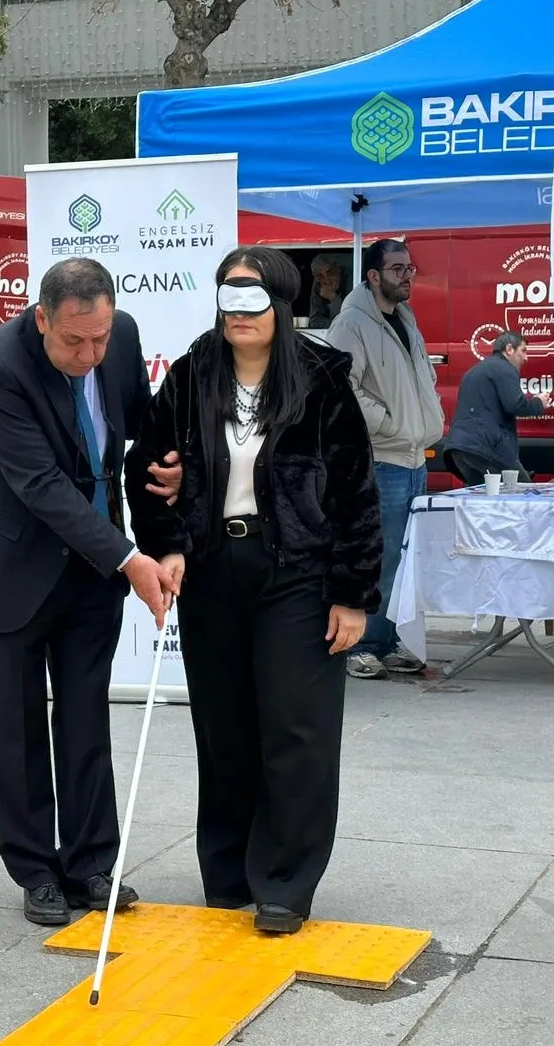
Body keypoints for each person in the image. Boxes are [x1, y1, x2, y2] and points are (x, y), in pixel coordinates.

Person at [124, 245, 382, 935]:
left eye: (253, 297)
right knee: (224, 728)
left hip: (297, 573)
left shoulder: (322, 378)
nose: (239, 312)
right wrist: (168, 542)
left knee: (297, 727)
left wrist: (353, 593)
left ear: (281, 304)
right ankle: (229, 874)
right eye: (229, 296)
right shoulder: (191, 375)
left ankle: (285, 883)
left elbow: (356, 491)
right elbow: (146, 467)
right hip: (212, 569)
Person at [0, 257, 182, 927]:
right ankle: (37, 871)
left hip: (89, 569)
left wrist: (171, 465)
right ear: (42, 319)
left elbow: (142, 424)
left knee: (84, 717)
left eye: (99, 339)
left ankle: (90, 864)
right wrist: (129, 558)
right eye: (74, 341)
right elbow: (38, 483)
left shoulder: (116, 339)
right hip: (5, 568)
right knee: (12, 729)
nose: (90, 355)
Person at [323, 237, 444, 680]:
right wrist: (389, 423)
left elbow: (422, 378)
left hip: (414, 459)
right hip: (381, 460)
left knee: (402, 558)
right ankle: (361, 645)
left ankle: (387, 640)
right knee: (376, 556)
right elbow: (340, 387)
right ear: (373, 276)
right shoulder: (351, 324)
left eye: (409, 269)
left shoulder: (406, 320)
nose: (407, 276)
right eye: (397, 269)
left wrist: (428, 416)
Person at [441, 331, 554, 485]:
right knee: (519, 487)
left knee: (483, 495)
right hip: (484, 447)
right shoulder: (505, 369)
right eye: (523, 351)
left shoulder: (473, 371)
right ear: (509, 349)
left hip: (459, 449)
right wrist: (538, 403)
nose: (526, 358)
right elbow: (516, 405)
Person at [306, 254, 345, 328]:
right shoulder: (318, 284)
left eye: (330, 272)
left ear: (338, 269)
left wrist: (333, 298)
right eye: (320, 276)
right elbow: (315, 322)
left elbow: (347, 321)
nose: (327, 280)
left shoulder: (353, 279)